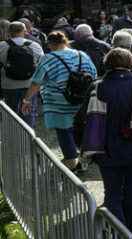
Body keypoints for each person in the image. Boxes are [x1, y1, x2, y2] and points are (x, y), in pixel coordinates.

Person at [21, 31, 96, 172]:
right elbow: (93, 74)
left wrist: (26, 99)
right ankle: (82, 159)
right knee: (80, 127)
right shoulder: (82, 55)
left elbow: (36, 82)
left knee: (64, 130)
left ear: (50, 44)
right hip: (81, 99)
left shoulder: (48, 58)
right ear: (65, 41)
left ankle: (71, 161)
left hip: (58, 102)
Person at [94, 48, 132, 236]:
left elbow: (83, 118)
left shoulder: (98, 86)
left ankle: (122, 234)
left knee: (112, 193)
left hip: (106, 148)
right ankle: (130, 232)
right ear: (130, 62)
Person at [0, 21, 43, 126]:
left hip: (9, 85)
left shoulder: (2, 46)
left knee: (12, 113)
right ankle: (28, 138)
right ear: (25, 31)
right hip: (29, 85)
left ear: (9, 32)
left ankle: (14, 137)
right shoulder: (35, 46)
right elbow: (42, 65)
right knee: (28, 112)